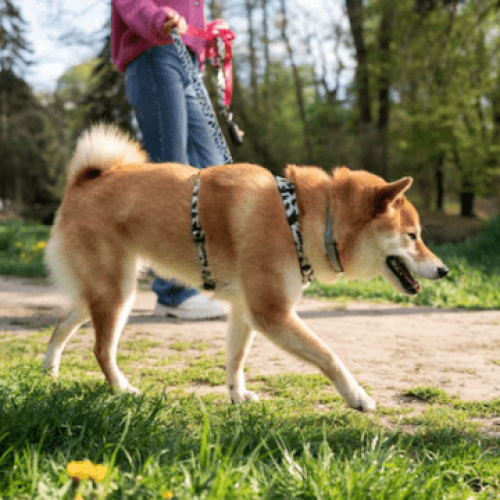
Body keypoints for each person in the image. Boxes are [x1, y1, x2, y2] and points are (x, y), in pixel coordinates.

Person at [111, 0, 228, 320]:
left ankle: (214, 274)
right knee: (172, 177)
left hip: (188, 61)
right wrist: (156, 19)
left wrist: (206, 37)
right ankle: (173, 292)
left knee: (215, 170)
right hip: (153, 55)